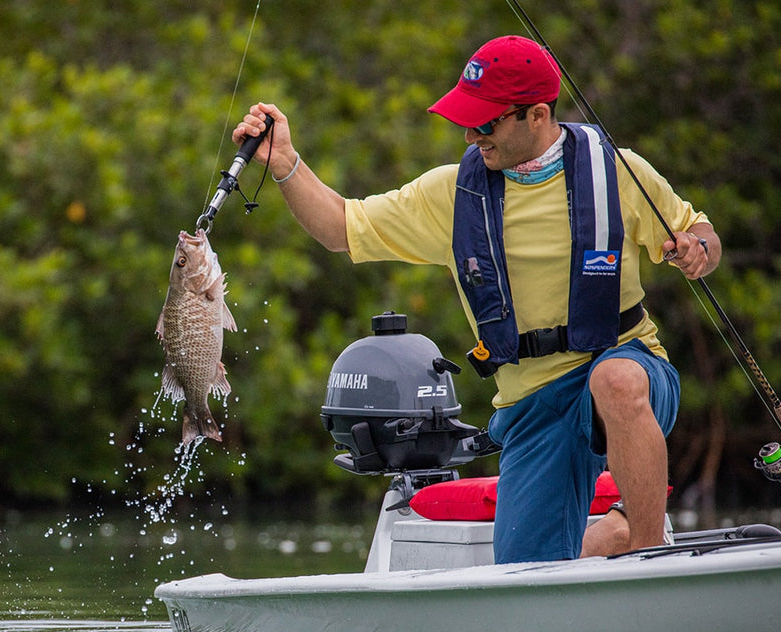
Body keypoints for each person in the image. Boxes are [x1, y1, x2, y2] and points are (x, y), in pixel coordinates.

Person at [234, 35, 720, 563]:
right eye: (466, 120)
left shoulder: (620, 172)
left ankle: (649, 558)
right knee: (528, 575)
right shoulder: (449, 193)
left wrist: (698, 249)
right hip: (533, 406)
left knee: (615, 380)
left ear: (536, 115)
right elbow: (337, 227)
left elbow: (701, 232)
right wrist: (283, 161)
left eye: (485, 123)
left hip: (631, 367)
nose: (470, 134)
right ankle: (613, 538)